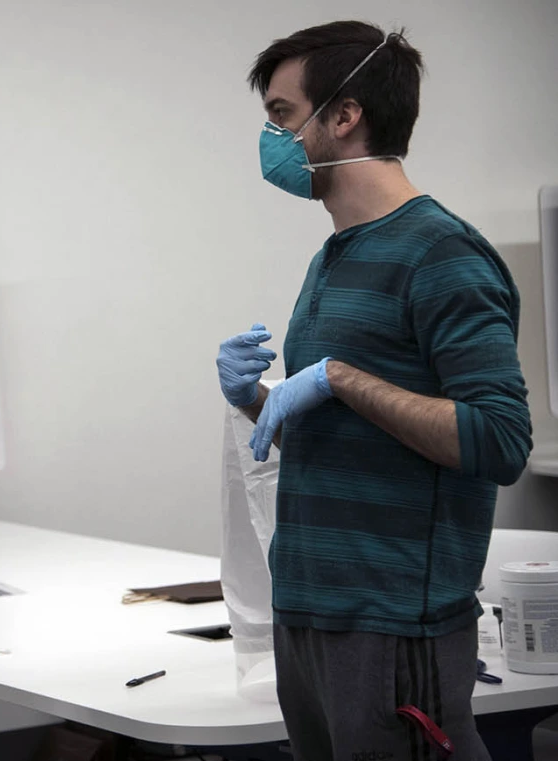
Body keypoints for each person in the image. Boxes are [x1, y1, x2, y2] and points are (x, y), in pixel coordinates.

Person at [215, 21, 532, 760]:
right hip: (309, 614)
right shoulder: (335, 254)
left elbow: (499, 440)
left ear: (345, 114)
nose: (272, 139)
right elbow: (349, 428)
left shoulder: (442, 253)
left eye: (282, 116)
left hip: (392, 624)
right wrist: (260, 402)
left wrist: (339, 378)